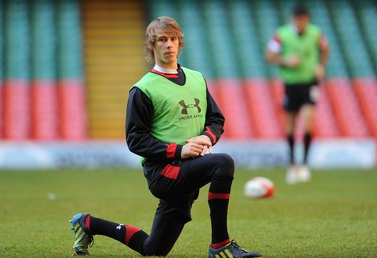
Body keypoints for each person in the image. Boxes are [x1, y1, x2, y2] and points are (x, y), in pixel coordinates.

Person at [69, 16, 262, 258]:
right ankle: (220, 245)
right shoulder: (143, 89)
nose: (169, 44)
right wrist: (180, 151)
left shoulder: (197, 78)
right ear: (152, 45)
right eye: (162, 39)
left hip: (188, 170)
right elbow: (135, 139)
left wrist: (206, 138)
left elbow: (216, 120)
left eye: (173, 39)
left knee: (154, 249)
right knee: (223, 163)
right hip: (164, 172)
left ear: (180, 43)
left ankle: (88, 223)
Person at [265, 3, 330, 184]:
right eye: (297, 20)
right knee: (290, 125)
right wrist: (285, 60)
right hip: (290, 84)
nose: (300, 23)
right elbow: (269, 56)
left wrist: (321, 66)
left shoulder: (316, 33)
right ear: (293, 19)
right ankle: (293, 164)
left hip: (310, 82)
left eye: (303, 20)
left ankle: (304, 165)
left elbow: (325, 49)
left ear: (307, 19)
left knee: (308, 122)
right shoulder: (282, 34)